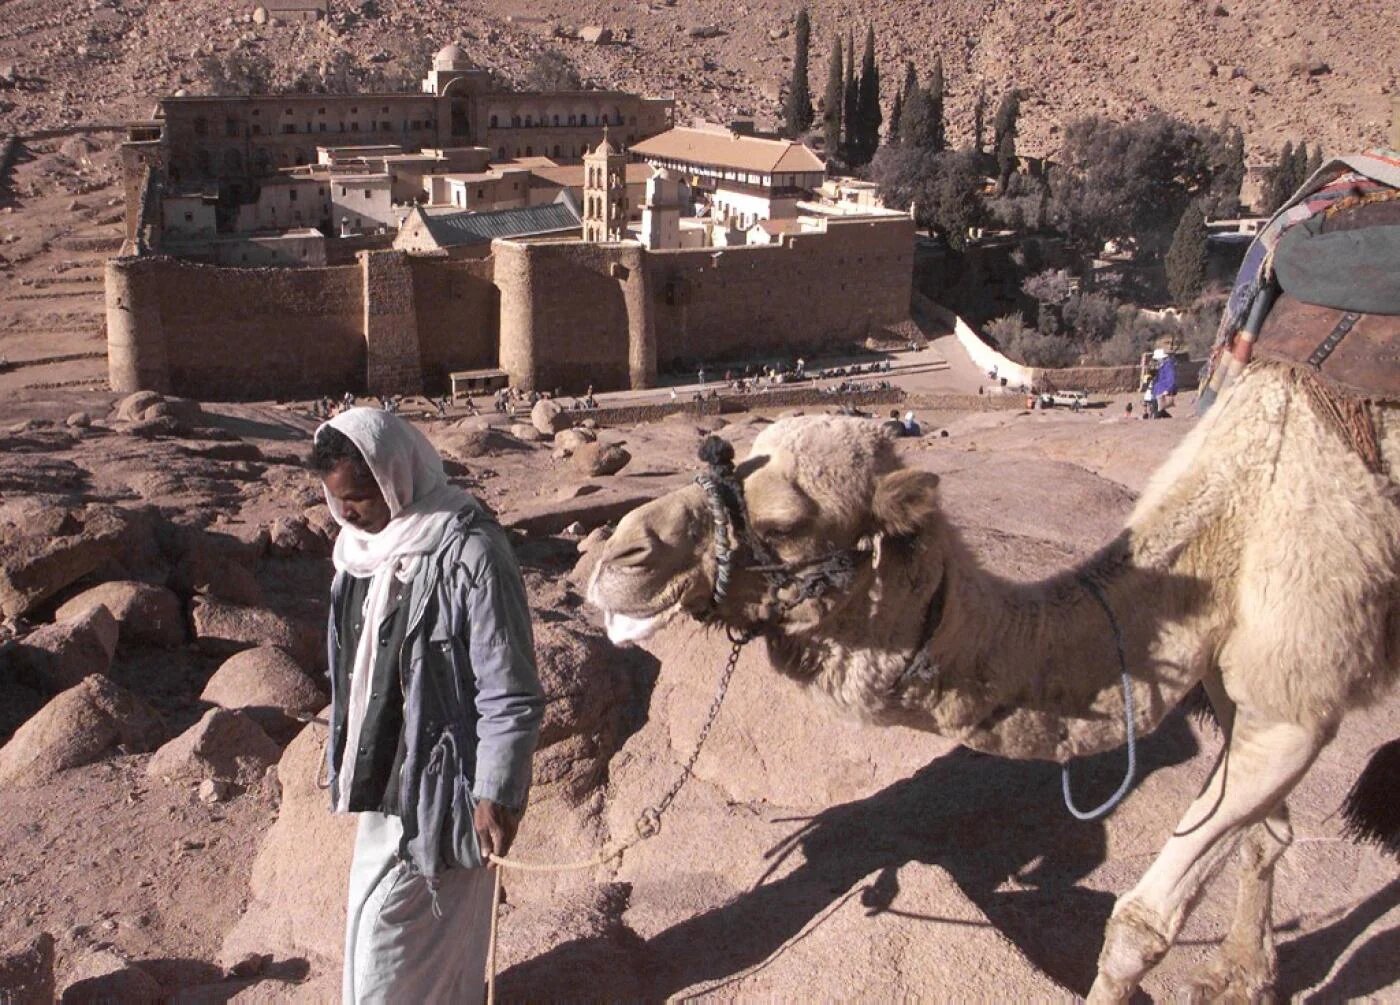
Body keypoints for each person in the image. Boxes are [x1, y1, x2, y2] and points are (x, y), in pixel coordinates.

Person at [312, 409, 544, 1004]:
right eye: (338, 500)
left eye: (360, 497)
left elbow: (508, 686)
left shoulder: (471, 552)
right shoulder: (358, 554)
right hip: (384, 784)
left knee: (388, 951)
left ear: (397, 476)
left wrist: (498, 789)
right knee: (389, 941)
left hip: (447, 791)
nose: (348, 513)